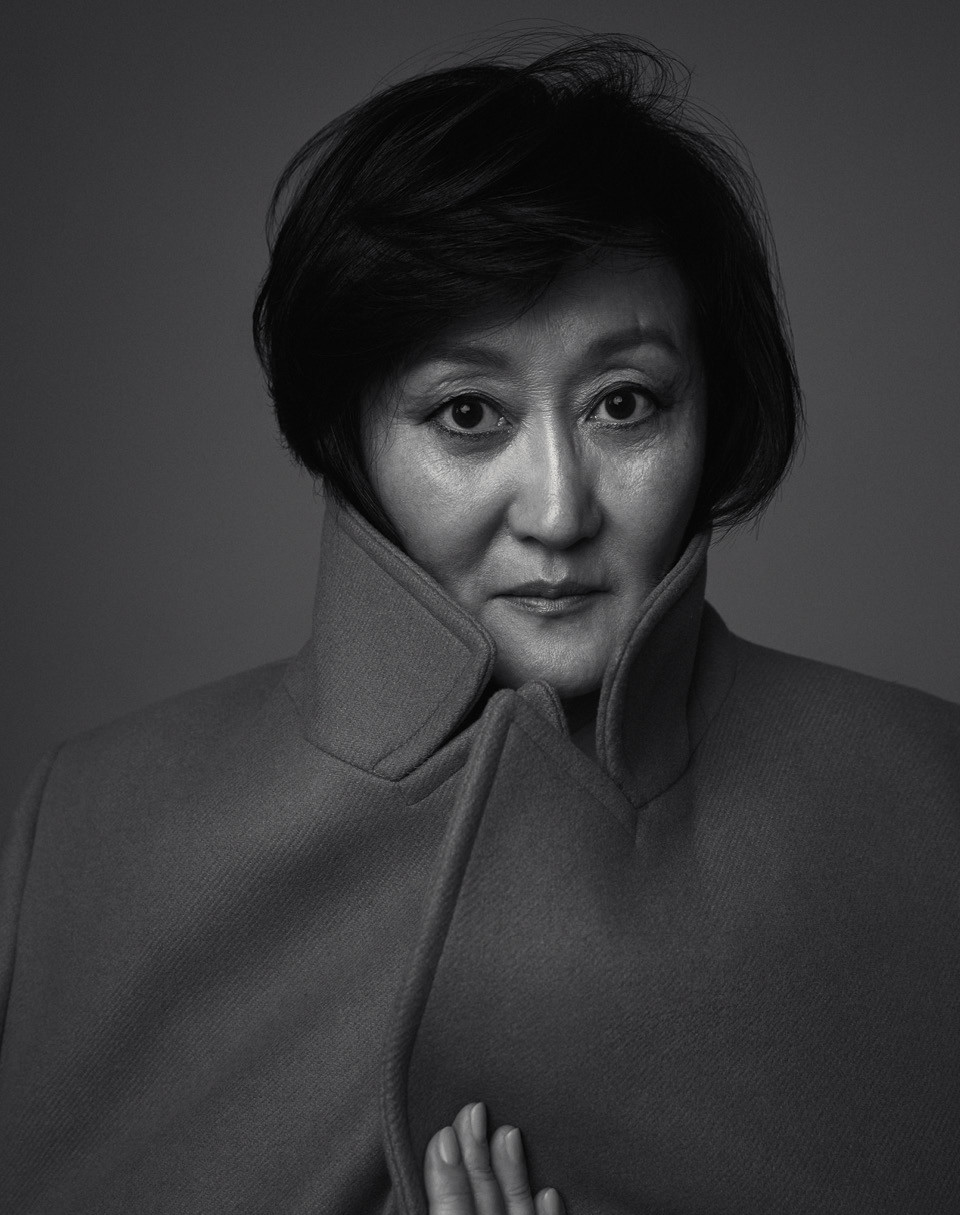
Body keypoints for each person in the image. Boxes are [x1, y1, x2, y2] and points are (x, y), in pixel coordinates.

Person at [1, 32, 958, 1215]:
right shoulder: (84, 836)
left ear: (716, 409)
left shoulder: (931, 810)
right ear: (351, 435)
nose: (559, 510)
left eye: (625, 403)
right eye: (468, 414)